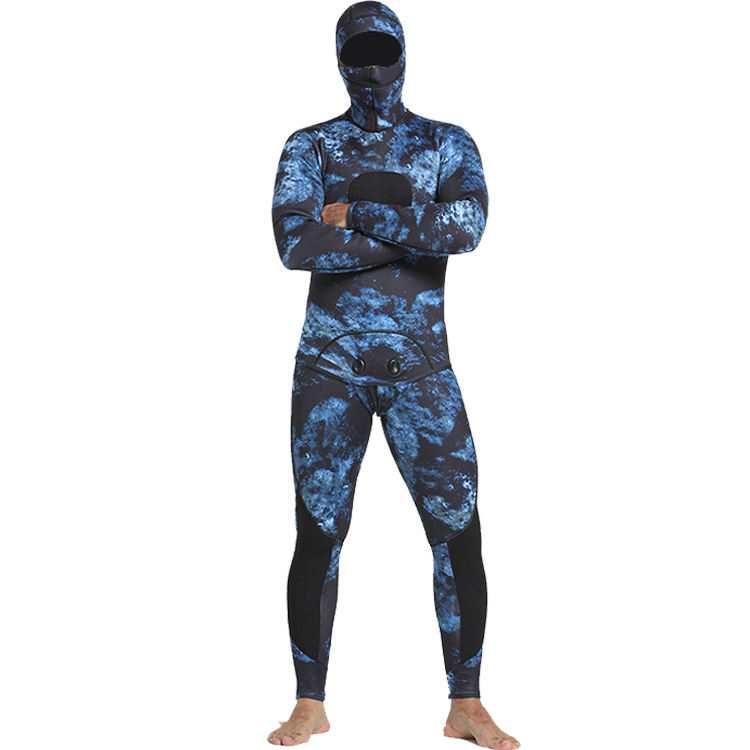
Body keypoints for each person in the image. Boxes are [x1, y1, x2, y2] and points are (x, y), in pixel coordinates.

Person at [268, 3, 520, 747]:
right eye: (360, 54)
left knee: (458, 530)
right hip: (330, 369)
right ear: (339, 59)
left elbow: (467, 228)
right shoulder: (310, 145)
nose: (374, 69)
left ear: (405, 53)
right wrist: (414, 225)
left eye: (385, 51)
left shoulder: (446, 142)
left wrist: (351, 212)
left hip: (423, 371)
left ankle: (466, 703)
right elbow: (295, 244)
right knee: (318, 531)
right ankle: (309, 702)